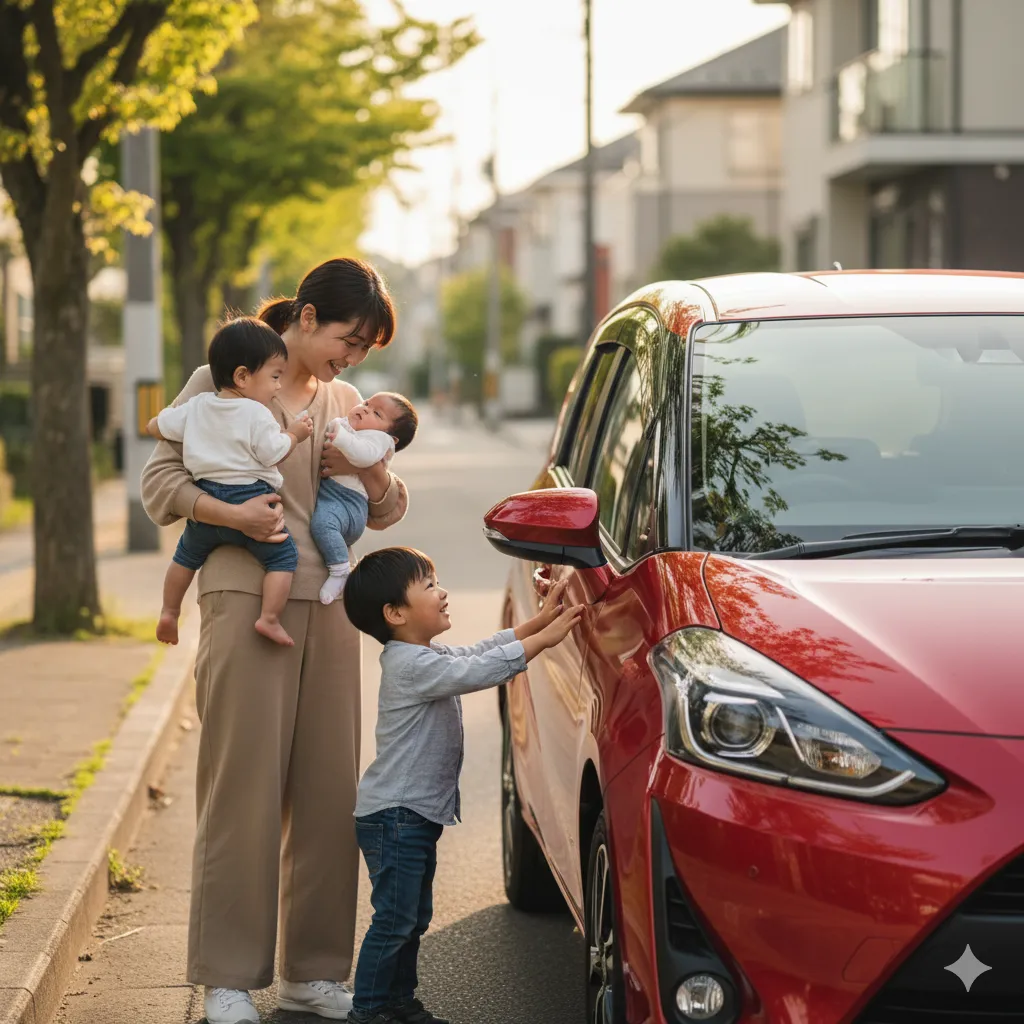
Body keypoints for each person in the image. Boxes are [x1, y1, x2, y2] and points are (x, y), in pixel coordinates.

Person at [141, 257, 406, 1024]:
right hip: (239, 594)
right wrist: (233, 517)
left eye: (362, 352)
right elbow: (160, 486)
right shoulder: (221, 378)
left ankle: (313, 973)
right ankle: (227, 976)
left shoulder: (349, 401)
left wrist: (376, 478)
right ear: (309, 316)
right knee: (242, 790)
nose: (350, 361)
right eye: (347, 341)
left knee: (329, 793)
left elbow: (384, 507)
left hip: (329, 606)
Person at [341, 547, 584, 1024]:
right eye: (429, 586)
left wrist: (540, 619)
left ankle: (398, 1002)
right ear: (395, 614)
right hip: (395, 817)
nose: (443, 591)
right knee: (394, 921)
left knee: (411, 919)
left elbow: (479, 651)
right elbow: (476, 672)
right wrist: (545, 642)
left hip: (412, 815)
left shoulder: (425, 654)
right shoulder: (409, 665)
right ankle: (368, 1010)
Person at [147, 317, 314, 647]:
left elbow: (158, 426)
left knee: (184, 559)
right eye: (275, 376)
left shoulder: (197, 406)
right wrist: (295, 434)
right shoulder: (256, 413)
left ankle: (168, 611)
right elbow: (272, 452)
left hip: (207, 502)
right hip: (251, 499)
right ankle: (269, 618)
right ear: (242, 376)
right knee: (283, 560)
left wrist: (157, 424)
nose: (278, 386)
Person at [312, 392, 418, 605]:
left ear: (391, 438)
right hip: (331, 496)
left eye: (376, 413)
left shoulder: (375, 436)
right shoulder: (355, 422)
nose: (365, 408)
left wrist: (357, 462)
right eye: (366, 403)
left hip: (347, 503)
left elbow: (365, 457)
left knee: (323, 524)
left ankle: (339, 570)